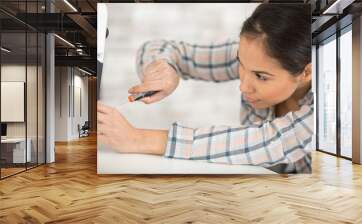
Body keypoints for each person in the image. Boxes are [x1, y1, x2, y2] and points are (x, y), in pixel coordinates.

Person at [98, 3, 313, 174]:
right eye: (240, 64)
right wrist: (165, 68)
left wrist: (138, 139)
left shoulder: (319, 114)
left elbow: (267, 142)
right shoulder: (257, 52)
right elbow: (157, 48)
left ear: (306, 72)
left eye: (260, 77)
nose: (243, 85)